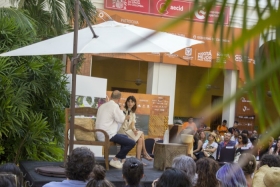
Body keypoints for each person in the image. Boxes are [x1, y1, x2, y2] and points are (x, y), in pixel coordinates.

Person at [96, 90, 136, 169]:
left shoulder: (103, 106)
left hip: (100, 133)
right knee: (131, 143)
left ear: (111, 96)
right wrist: (121, 110)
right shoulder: (114, 106)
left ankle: (121, 160)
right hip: (107, 134)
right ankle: (115, 159)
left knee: (125, 138)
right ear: (119, 99)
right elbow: (121, 119)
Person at [118, 96, 153, 164]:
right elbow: (119, 122)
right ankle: (145, 153)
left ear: (134, 103)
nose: (130, 103)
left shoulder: (132, 113)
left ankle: (138, 160)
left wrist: (134, 130)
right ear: (126, 102)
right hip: (122, 131)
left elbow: (132, 125)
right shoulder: (122, 110)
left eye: (132, 102)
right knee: (142, 134)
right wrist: (125, 117)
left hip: (128, 132)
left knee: (140, 139)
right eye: (128, 101)